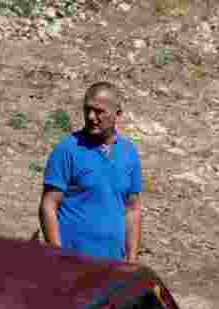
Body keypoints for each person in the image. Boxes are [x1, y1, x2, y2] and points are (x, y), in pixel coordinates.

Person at [36, 82, 143, 262]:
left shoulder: (129, 152)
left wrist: (132, 260)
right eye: (87, 110)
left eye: (99, 111)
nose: (91, 116)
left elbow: (132, 209)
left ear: (118, 114)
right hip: (72, 262)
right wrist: (57, 254)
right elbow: (49, 205)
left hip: (112, 264)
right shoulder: (68, 149)